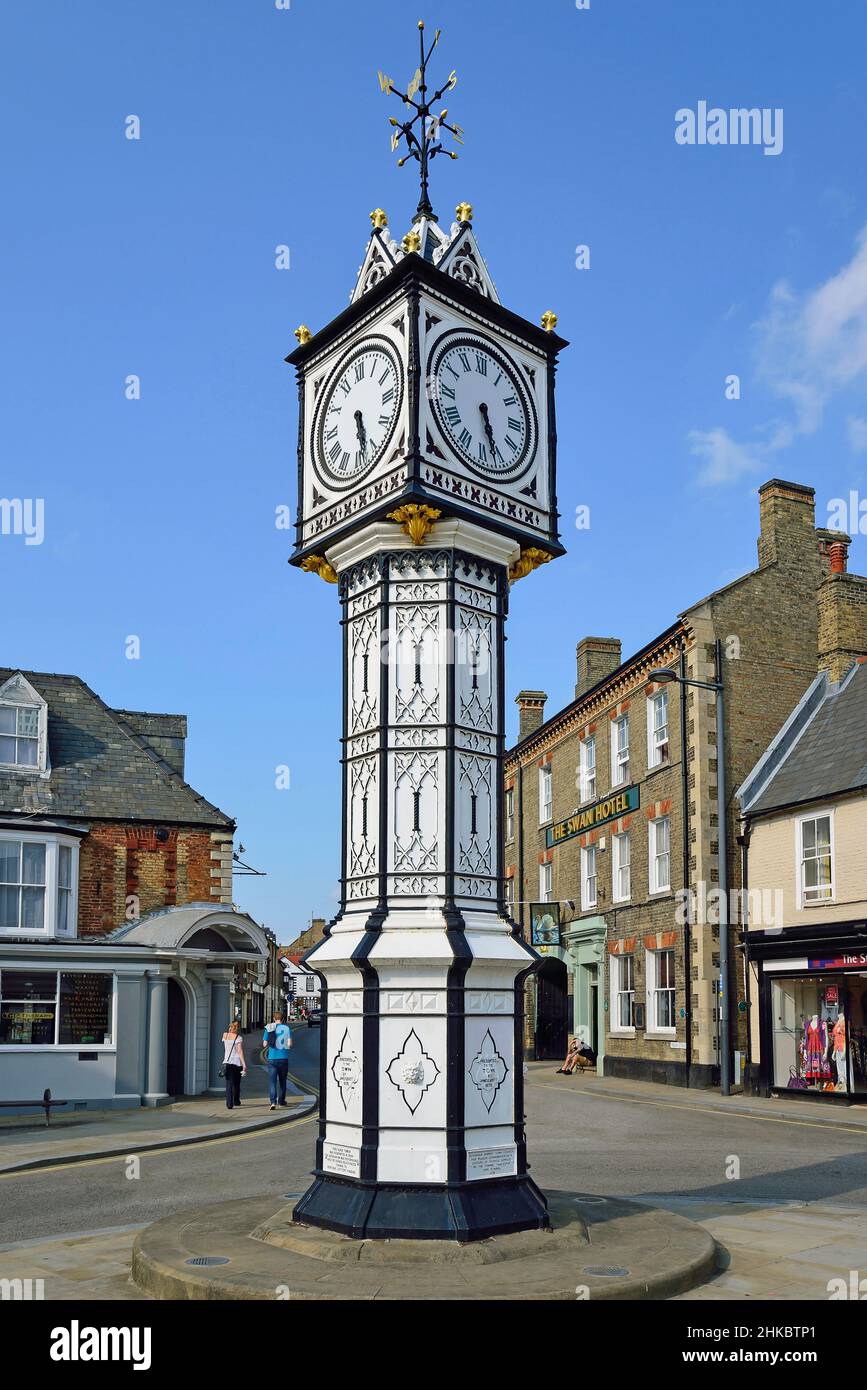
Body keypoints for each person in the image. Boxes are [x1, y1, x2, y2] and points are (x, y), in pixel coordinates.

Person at [263, 1009, 293, 1110]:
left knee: (272, 1082)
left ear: (274, 1018)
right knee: (283, 1081)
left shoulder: (269, 1027)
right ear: (282, 1019)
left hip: (272, 1058)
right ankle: (281, 1101)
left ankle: (272, 1102)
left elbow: (265, 1044)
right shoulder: (287, 1028)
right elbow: (289, 1044)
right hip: (283, 1058)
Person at [222, 1020, 246, 1109]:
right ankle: (236, 1101)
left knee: (229, 1083)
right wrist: (244, 1064)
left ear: (231, 1027)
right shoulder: (238, 1037)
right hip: (237, 1063)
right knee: (236, 1083)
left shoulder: (225, 1035)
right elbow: (239, 1051)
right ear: (237, 1028)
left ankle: (229, 1104)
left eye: (230, 1027)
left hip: (227, 1062)